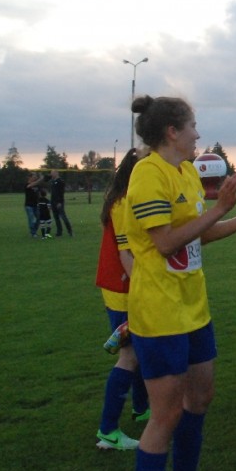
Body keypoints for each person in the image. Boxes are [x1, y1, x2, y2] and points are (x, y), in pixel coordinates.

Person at [122, 95, 236, 471]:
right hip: (159, 312)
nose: (197, 133)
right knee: (166, 413)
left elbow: (199, 236)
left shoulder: (187, 172)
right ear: (172, 132)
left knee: (201, 397)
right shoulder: (147, 173)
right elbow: (166, 242)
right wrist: (219, 208)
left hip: (194, 307)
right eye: (192, 126)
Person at [95, 148, 149, 451]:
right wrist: (144, 286)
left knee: (138, 351)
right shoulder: (123, 203)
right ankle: (108, 431)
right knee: (129, 355)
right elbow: (124, 252)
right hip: (124, 288)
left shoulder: (126, 199)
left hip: (123, 285)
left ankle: (141, 409)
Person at [50, 169, 74, 237]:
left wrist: (59, 202)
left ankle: (70, 231)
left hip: (59, 202)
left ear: (56, 173)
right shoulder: (52, 182)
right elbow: (53, 193)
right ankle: (59, 232)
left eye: (52, 173)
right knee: (56, 218)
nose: (51, 174)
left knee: (63, 217)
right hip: (53, 202)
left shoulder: (60, 182)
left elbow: (61, 193)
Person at [24, 172, 41, 238]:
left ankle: (34, 231)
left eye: (35, 176)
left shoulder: (37, 186)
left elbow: (39, 194)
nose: (35, 177)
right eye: (34, 176)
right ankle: (33, 233)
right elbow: (29, 186)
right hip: (29, 205)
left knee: (39, 218)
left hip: (36, 205)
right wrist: (40, 179)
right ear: (30, 177)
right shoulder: (27, 184)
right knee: (31, 219)